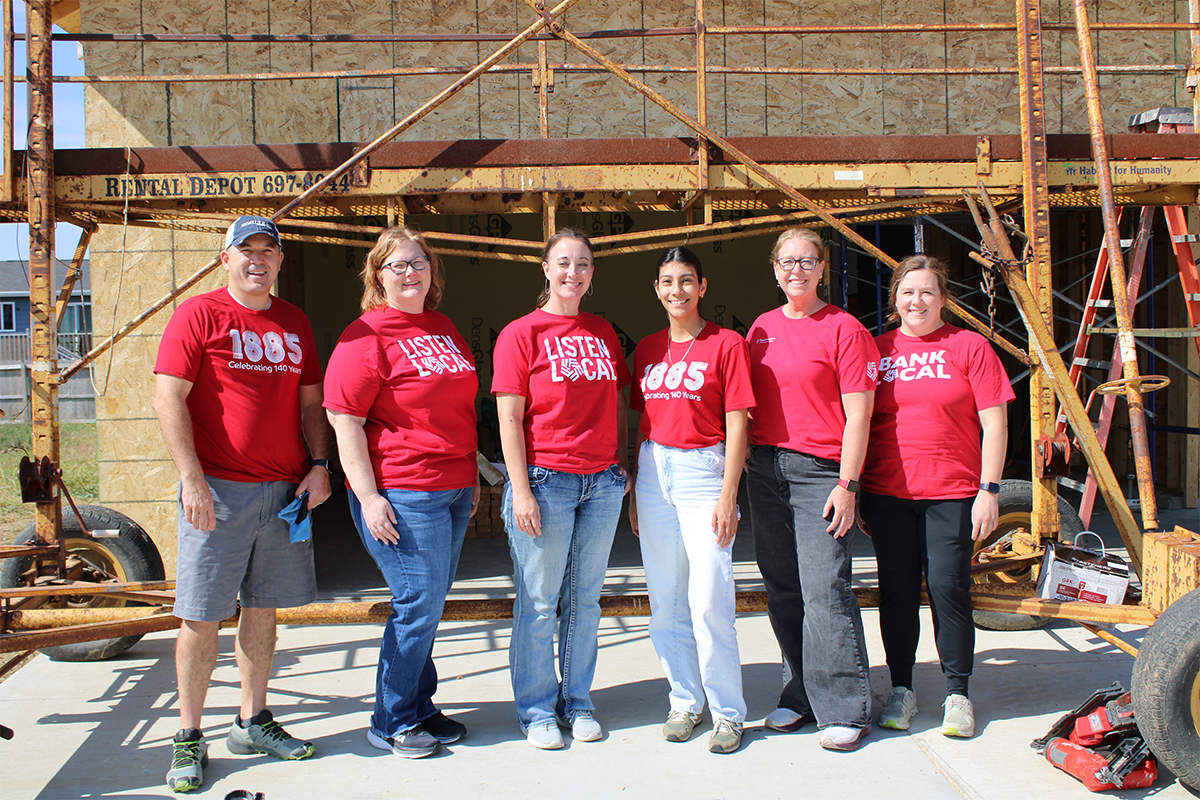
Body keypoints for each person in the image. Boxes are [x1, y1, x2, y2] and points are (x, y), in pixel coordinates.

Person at [153, 215, 332, 792]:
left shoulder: (295, 322)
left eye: (268, 250)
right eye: (246, 249)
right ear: (224, 258)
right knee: (202, 615)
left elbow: (311, 405)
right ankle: (187, 738)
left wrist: (319, 465)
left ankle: (251, 719)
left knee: (262, 611)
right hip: (218, 492)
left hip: (283, 493)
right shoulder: (198, 315)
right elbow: (167, 398)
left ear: (280, 260)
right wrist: (192, 479)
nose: (258, 259)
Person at [324, 227, 480, 759]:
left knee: (429, 605)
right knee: (416, 604)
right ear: (377, 276)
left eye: (418, 263)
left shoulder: (442, 327)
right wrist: (367, 497)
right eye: (397, 266)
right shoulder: (363, 336)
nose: (409, 273)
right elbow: (344, 421)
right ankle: (390, 720)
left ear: (432, 271)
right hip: (402, 488)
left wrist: (470, 476)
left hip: (452, 486)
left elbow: (454, 410)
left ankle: (419, 706)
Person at [858, 255, 1013, 739]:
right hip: (889, 494)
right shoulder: (876, 351)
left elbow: (995, 423)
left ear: (943, 298)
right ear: (895, 300)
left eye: (927, 292)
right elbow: (857, 422)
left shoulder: (969, 347)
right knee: (897, 593)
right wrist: (856, 487)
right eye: (907, 292)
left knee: (949, 589)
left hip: (953, 493)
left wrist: (989, 490)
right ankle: (901, 689)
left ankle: (957, 693)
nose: (916, 301)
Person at [492, 228, 631, 750]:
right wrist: (520, 489)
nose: (573, 273)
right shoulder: (520, 334)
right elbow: (509, 417)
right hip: (546, 480)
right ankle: (535, 710)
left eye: (584, 264)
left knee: (586, 600)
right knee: (538, 600)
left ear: (592, 275)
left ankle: (577, 702)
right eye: (564, 263)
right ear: (546, 269)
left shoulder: (602, 331)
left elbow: (615, 404)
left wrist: (620, 466)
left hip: (601, 483)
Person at [744, 226, 879, 752]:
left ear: (823, 268)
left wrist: (848, 484)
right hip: (766, 470)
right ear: (774, 269)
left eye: (806, 261)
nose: (795, 270)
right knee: (783, 587)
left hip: (821, 472)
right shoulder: (760, 329)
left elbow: (859, 416)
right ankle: (800, 693)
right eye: (786, 261)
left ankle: (846, 706)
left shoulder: (843, 328)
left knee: (825, 588)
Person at [629, 247, 754, 754]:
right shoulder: (647, 349)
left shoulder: (727, 344)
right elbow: (641, 420)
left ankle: (727, 711)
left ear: (702, 287)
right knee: (665, 600)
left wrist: (729, 492)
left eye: (685, 280)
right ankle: (684, 699)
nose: (675, 290)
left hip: (706, 470)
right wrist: (636, 492)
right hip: (653, 471)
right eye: (666, 281)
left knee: (708, 599)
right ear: (656, 289)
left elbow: (739, 418)